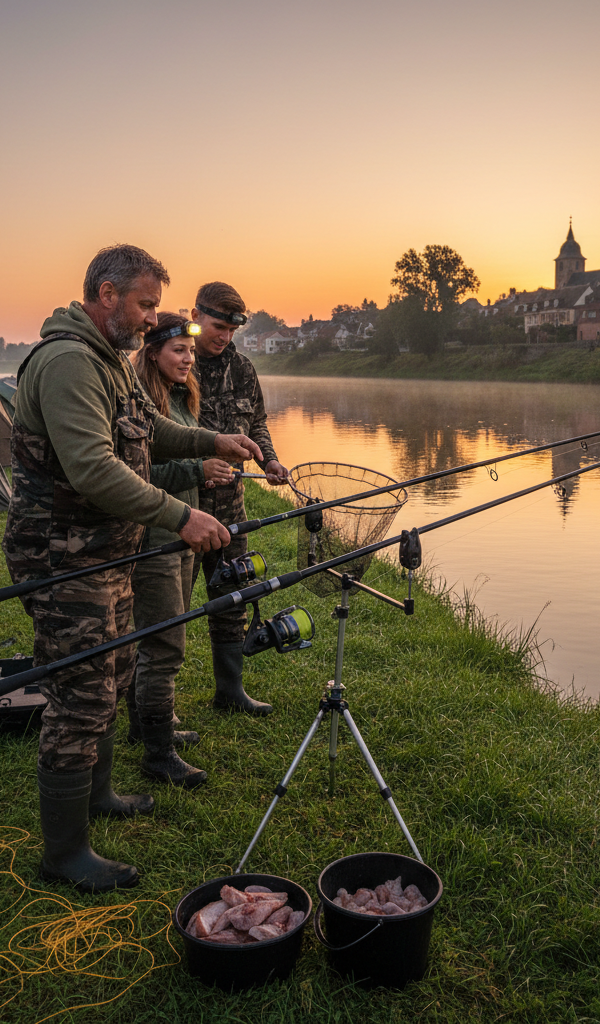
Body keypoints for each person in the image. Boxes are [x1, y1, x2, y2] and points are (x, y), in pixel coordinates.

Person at [2, 245, 263, 893]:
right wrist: (181, 516)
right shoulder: (68, 363)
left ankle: (100, 796)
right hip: (63, 554)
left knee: (114, 672)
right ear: (107, 293)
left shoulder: (108, 362)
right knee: (81, 693)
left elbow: (150, 432)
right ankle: (63, 854)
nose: (153, 319)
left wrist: (214, 440)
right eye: (146, 304)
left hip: (107, 550)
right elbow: (93, 468)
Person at [128, 312, 234, 787]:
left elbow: (184, 457)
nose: (188, 358)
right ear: (153, 353)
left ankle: (146, 724)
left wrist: (207, 465)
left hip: (182, 537)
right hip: (155, 538)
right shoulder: (142, 402)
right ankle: (158, 755)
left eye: (190, 351)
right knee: (164, 644)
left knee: (160, 638)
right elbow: (138, 478)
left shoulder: (181, 396)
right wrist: (199, 470)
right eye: (178, 350)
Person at [190, 282, 288, 716]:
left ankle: (230, 692)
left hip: (231, 507)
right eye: (217, 327)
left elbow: (258, 422)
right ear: (196, 315)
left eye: (231, 331)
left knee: (232, 595)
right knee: (166, 604)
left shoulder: (244, 369)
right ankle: (154, 708)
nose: (223, 337)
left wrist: (269, 460)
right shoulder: (173, 360)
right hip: (181, 505)